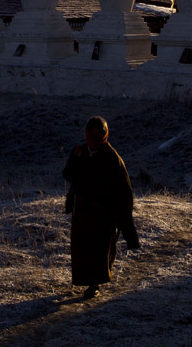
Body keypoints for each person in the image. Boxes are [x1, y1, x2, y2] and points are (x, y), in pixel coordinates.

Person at [62, 116, 140, 298]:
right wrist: (75, 158)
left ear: (105, 136)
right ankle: (87, 280)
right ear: (86, 135)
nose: (95, 141)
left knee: (100, 250)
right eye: (91, 136)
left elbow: (124, 193)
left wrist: (125, 224)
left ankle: (94, 284)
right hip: (82, 211)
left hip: (103, 215)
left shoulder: (113, 159)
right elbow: (69, 175)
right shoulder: (80, 152)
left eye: (99, 137)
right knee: (82, 249)